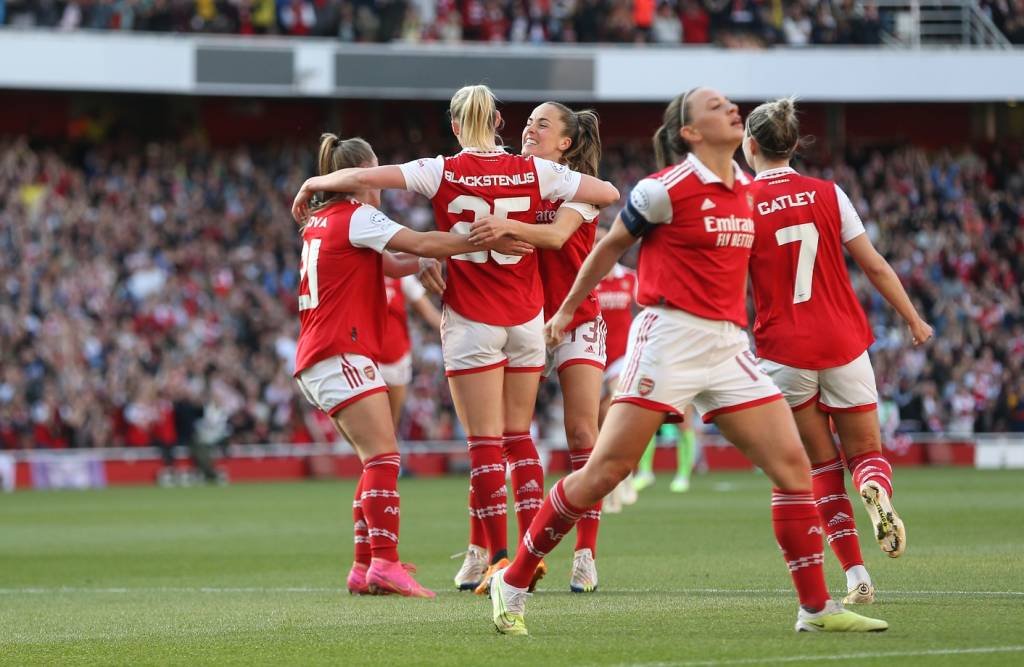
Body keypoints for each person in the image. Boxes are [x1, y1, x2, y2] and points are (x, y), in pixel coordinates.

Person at [487, 87, 888, 635]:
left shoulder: (747, 192)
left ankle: (815, 609)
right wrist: (564, 312)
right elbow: (606, 250)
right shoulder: (662, 190)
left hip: (726, 346)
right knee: (605, 471)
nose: (730, 108)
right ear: (690, 133)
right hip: (669, 338)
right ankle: (514, 581)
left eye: (729, 104)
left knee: (795, 470)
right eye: (714, 105)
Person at [292, 85, 620, 596]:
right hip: (527, 316)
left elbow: (362, 179)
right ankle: (525, 556)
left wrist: (314, 180)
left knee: (486, 444)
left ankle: (501, 558)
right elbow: (606, 194)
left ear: (454, 125)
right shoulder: (537, 172)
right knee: (521, 437)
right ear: (498, 123)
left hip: (476, 316)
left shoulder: (440, 169)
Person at [292, 133, 531, 599]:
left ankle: (364, 567)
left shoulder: (322, 221)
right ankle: (384, 562)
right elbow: (418, 240)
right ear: (360, 175)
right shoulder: (358, 216)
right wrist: (477, 239)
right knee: (384, 457)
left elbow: (394, 263)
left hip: (319, 356)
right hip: (340, 351)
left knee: (371, 461)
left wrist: (422, 261)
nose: (379, 183)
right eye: (375, 170)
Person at [742, 97, 934, 602]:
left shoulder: (741, 202)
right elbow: (872, 265)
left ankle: (856, 578)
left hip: (784, 350)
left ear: (751, 145)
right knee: (866, 453)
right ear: (792, 144)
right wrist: (912, 318)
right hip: (843, 341)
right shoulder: (829, 193)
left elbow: (725, 282)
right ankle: (877, 491)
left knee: (821, 468)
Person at [467, 101, 608, 593]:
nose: (529, 129)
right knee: (496, 434)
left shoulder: (578, 188)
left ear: (565, 143)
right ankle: (482, 548)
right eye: (527, 122)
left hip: (576, 317)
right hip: (521, 316)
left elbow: (555, 237)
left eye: (541, 125)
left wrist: (505, 226)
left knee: (581, 431)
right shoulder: (516, 177)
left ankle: (585, 554)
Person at [593, 246, 640, 512]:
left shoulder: (630, 278)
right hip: (594, 355)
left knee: (611, 410)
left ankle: (625, 476)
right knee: (595, 422)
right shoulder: (590, 278)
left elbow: (648, 307)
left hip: (621, 358)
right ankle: (609, 480)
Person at [380, 274, 442, 431]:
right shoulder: (357, 269)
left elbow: (429, 314)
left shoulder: (401, 276)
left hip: (396, 357)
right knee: (368, 424)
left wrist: (457, 332)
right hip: (365, 357)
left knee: (390, 425)